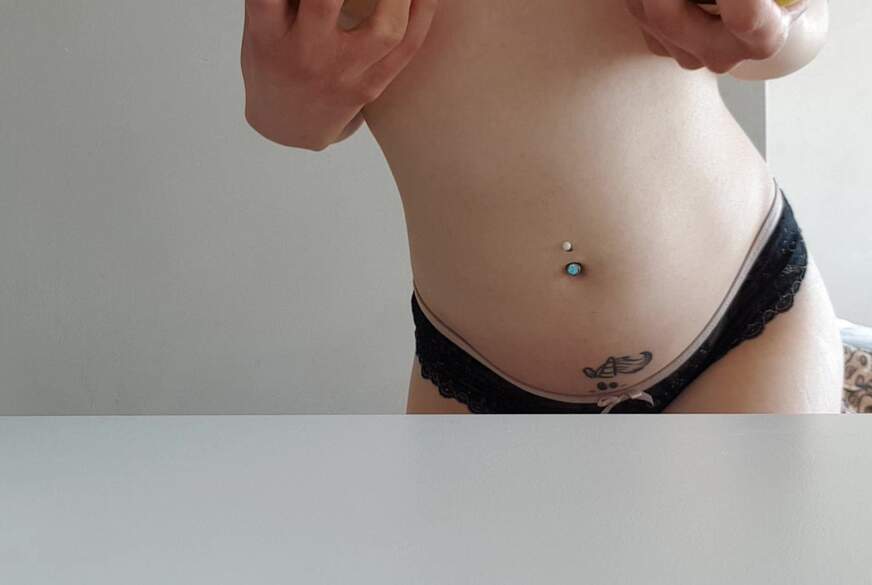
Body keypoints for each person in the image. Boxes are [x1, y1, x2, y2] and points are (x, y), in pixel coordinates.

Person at [240, 0, 843, 414]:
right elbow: (292, 117)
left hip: (739, 325)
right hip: (473, 373)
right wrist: (282, 98)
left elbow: (796, 32)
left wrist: (773, 24)